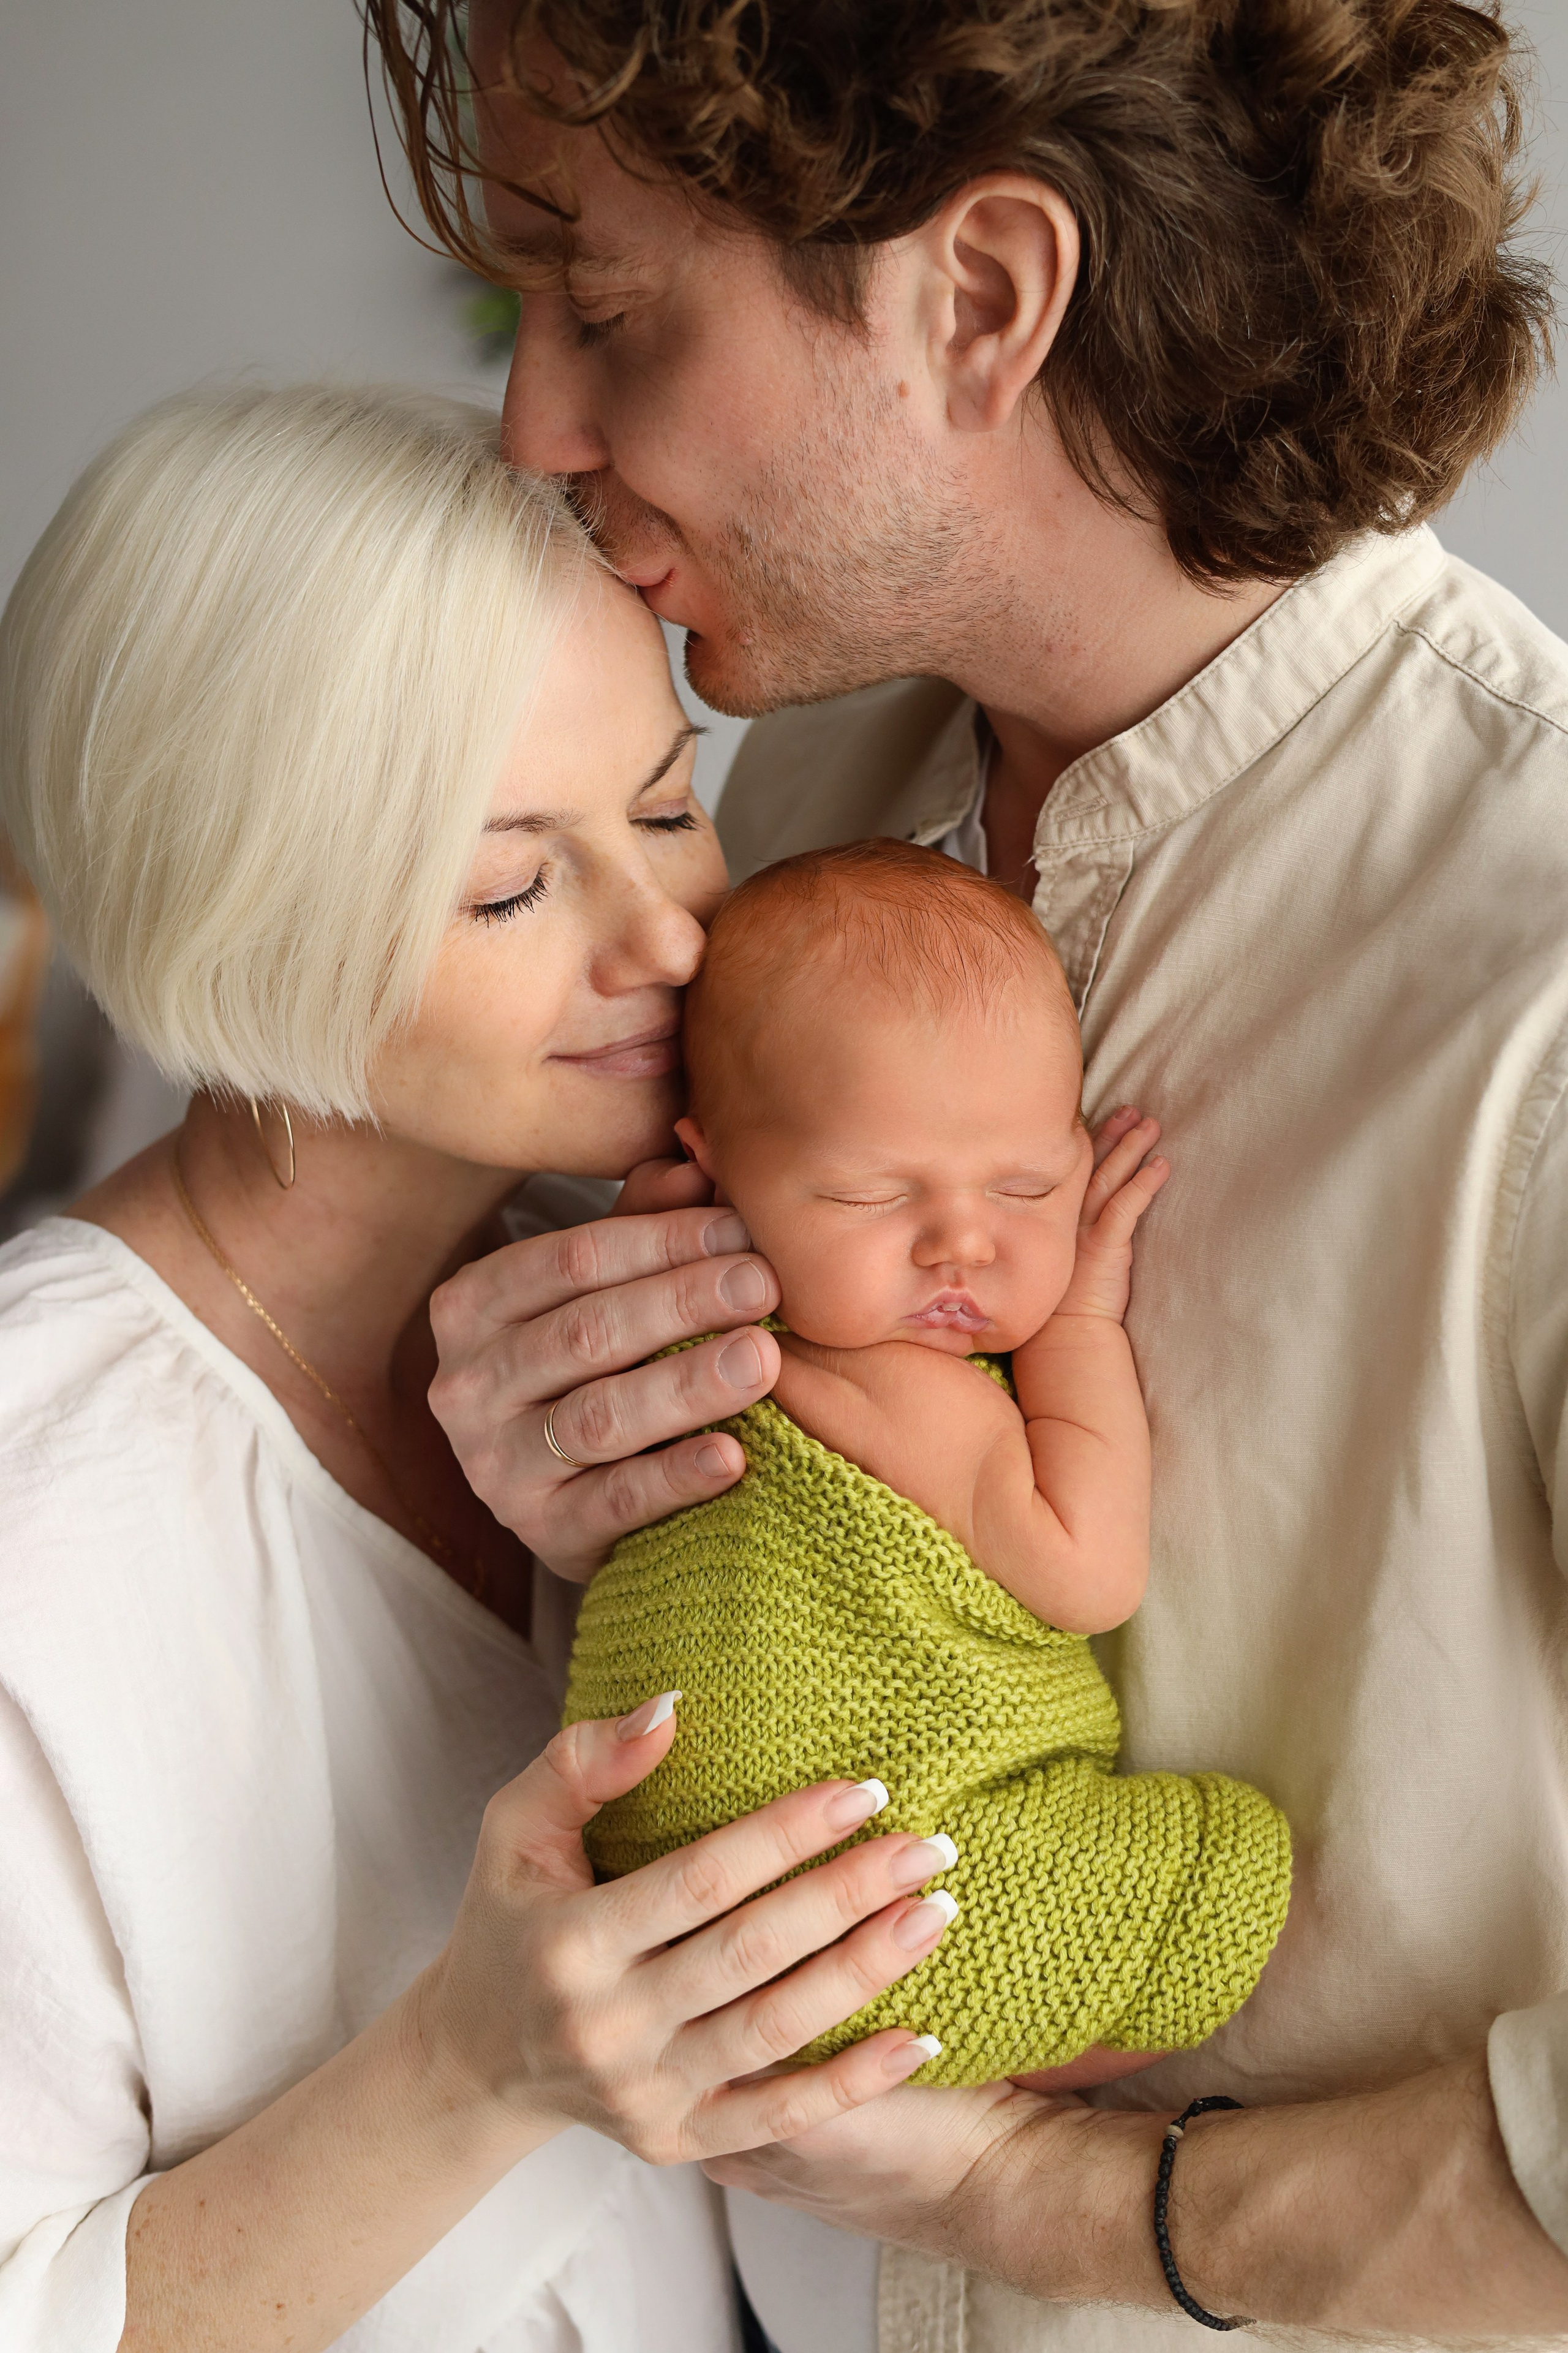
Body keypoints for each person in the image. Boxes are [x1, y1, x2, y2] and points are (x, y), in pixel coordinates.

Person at [364, 1, 1568, 2343]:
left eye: (604, 310)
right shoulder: (764, 834)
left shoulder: (1538, 989)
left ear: (987, 299)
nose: (531, 425)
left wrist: (1068, 2204)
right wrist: (556, 1472)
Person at [0, 382, 964, 2353]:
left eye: (670, 808)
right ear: (242, 907)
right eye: (513, 885)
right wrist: (473, 2065)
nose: (672, 942)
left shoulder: (646, 1291)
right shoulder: (43, 1529)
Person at [566, 839, 1292, 2089]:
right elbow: (1087, 1574)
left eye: (1025, 1184)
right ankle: (1009, 2063)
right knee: (1227, 1872)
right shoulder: (902, 1393)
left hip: (688, 1906)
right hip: (880, 1904)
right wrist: (1078, 1318)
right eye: (865, 1196)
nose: (960, 1243)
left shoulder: (674, 1318)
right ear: (713, 1166)